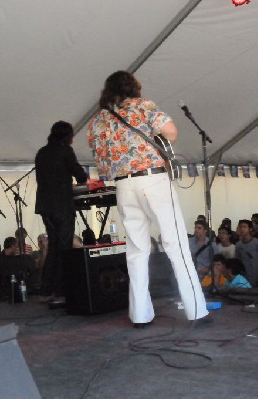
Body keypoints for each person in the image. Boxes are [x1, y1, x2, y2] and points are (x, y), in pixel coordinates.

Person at [87, 70, 210, 328]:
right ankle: (196, 310)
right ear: (134, 87)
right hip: (152, 180)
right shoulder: (143, 106)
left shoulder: (99, 121)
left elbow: (101, 161)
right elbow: (171, 133)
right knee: (175, 243)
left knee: (136, 251)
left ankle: (140, 315)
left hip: (123, 185)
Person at [35, 121, 88, 307]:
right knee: (65, 248)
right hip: (61, 206)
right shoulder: (65, 150)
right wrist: (81, 178)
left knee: (54, 247)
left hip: (45, 206)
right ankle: (62, 291)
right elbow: (80, 174)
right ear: (67, 136)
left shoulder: (41, 152)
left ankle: (46, 290)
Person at [235, 219, 258, 286]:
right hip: (245, 275)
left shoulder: (256, 242)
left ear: (250, 229)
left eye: (244, 227)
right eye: (240, 227)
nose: (242, 229)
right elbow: (238, 261)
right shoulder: (238, 244)